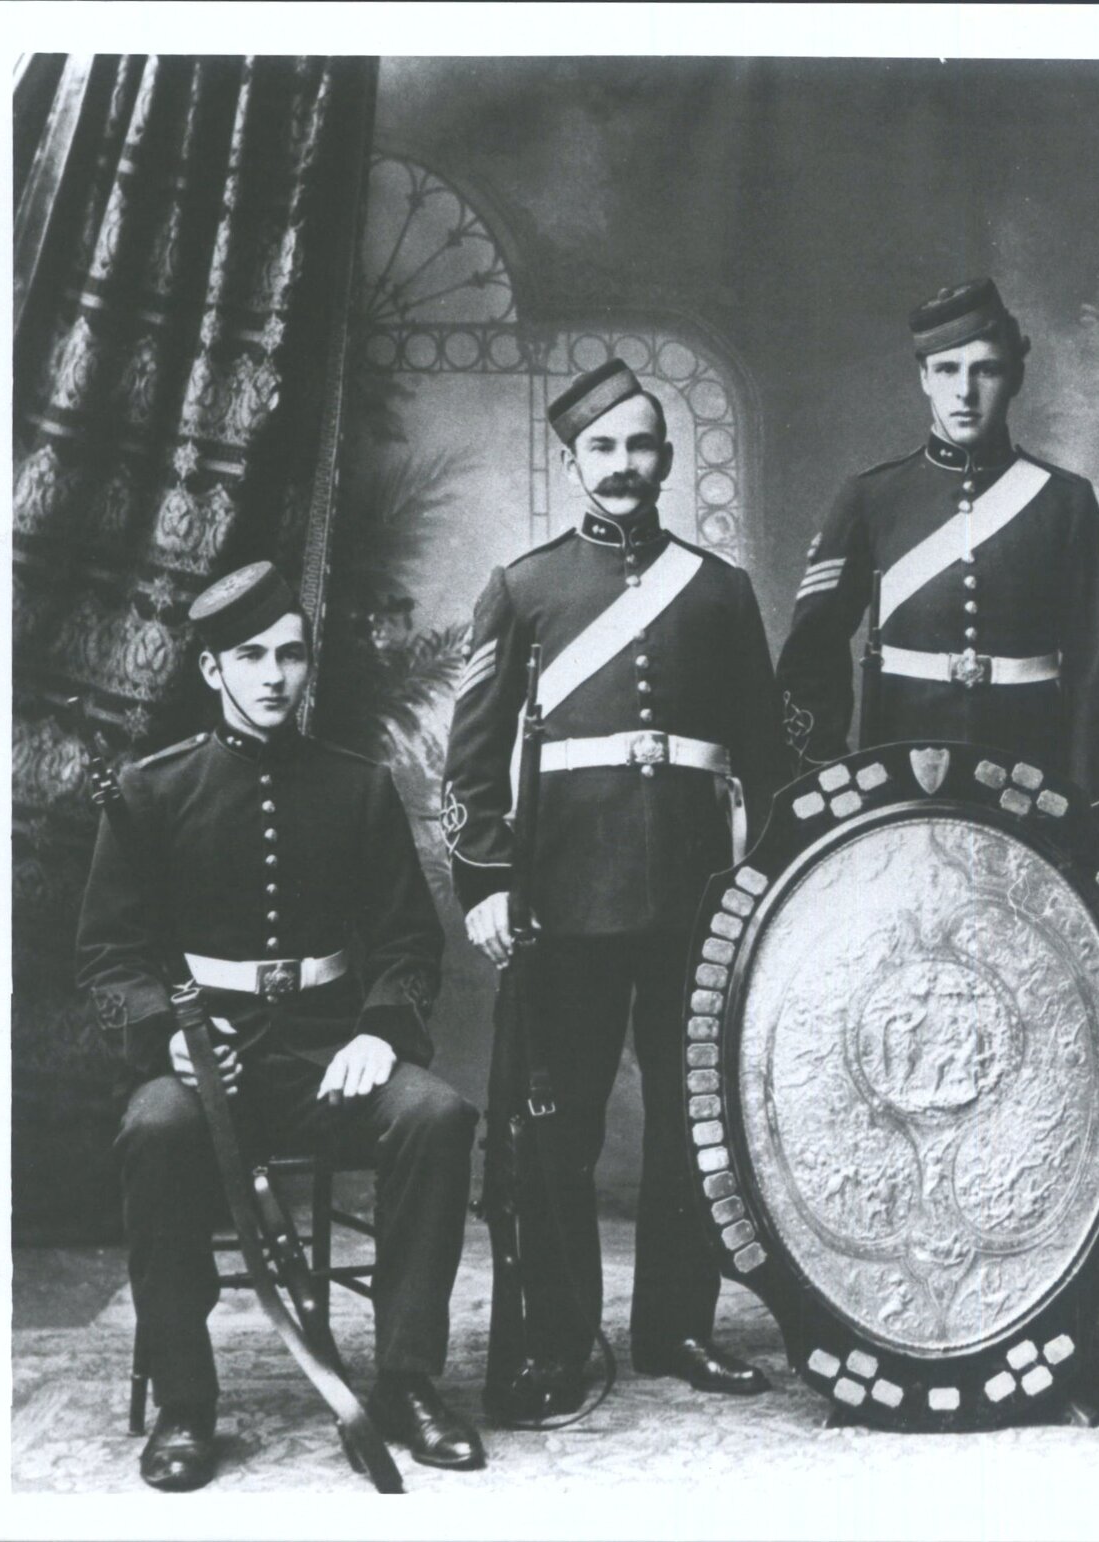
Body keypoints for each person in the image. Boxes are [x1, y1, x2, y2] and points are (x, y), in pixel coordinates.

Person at [78, 562, 482, 1490]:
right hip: (201, 1062)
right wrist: (167, 1039)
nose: (273, 676)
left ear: (307, 666)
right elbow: (108, 958)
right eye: (251, 657)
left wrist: (379, 1034)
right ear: (212, 668)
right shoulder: (151, 790)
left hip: (327, 1053)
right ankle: (186, 1403)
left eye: (289, 656)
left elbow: (408, 943)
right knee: (154, 1128)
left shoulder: (358, 786)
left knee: (435, 1114)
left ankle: (408, 1384)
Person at [442, 359, 787, 1422]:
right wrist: (486, 881)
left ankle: (676, 1326)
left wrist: (768, 890)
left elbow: (766, 756)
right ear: (573, 462)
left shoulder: (719, 591)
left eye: (640, 445)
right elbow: (470, 760)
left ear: (667, 459)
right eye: (602, 447)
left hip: (695, 898)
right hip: (564, 899)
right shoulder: (525, 589)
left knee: (691, 1121)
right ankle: (557, 1339)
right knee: (558, 1129)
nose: (623, 464)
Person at [774, 277, 1099, 827]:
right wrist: (832, 780)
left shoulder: (1065, 501)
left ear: (1015, 377)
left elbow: (1093, 675)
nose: (965, 392)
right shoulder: (871, 498)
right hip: (900, 785)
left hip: (1029, 785)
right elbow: (811, 655)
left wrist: (1085, 810)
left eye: (986, 370)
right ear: (923, 378)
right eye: (946, 370)